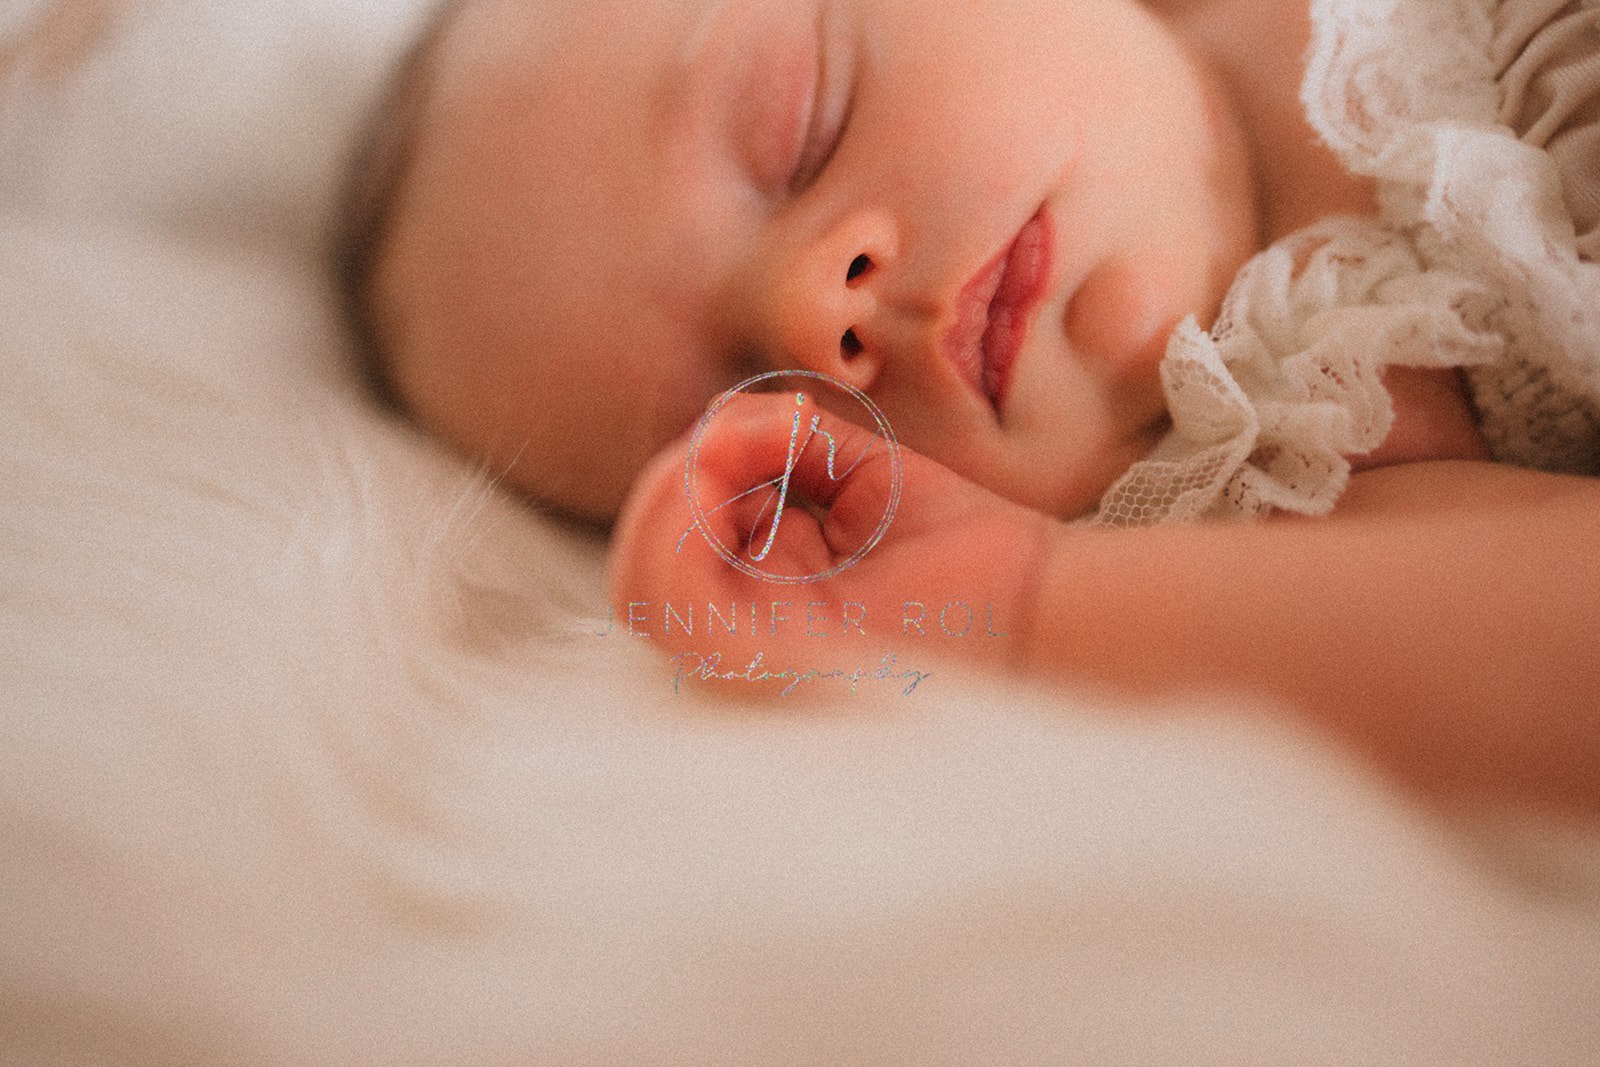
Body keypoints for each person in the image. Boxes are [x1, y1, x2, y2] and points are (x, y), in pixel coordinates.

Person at [337, 0, 1600, 812]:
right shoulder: (1309, 486)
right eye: (762, 406)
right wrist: (1009, 603)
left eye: (801, 131)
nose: (808, 313)